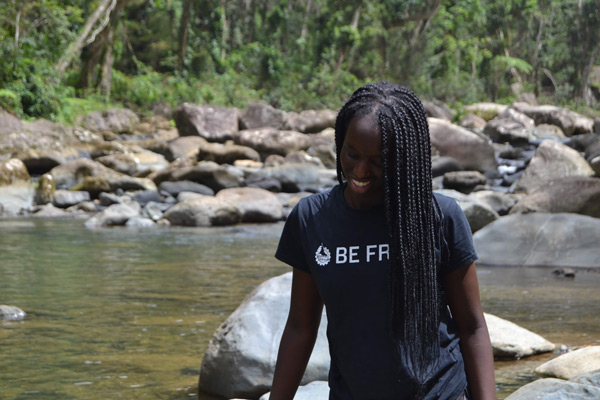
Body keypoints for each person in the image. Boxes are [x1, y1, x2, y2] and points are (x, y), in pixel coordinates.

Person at [270, 82, 496, 400]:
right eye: (352, 153)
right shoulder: (312, 218)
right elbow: (300, 327)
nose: (361, 170)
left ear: (405, 158)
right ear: (339, 143)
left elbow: (472, 328)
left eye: (378, 161)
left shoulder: (438, 217)